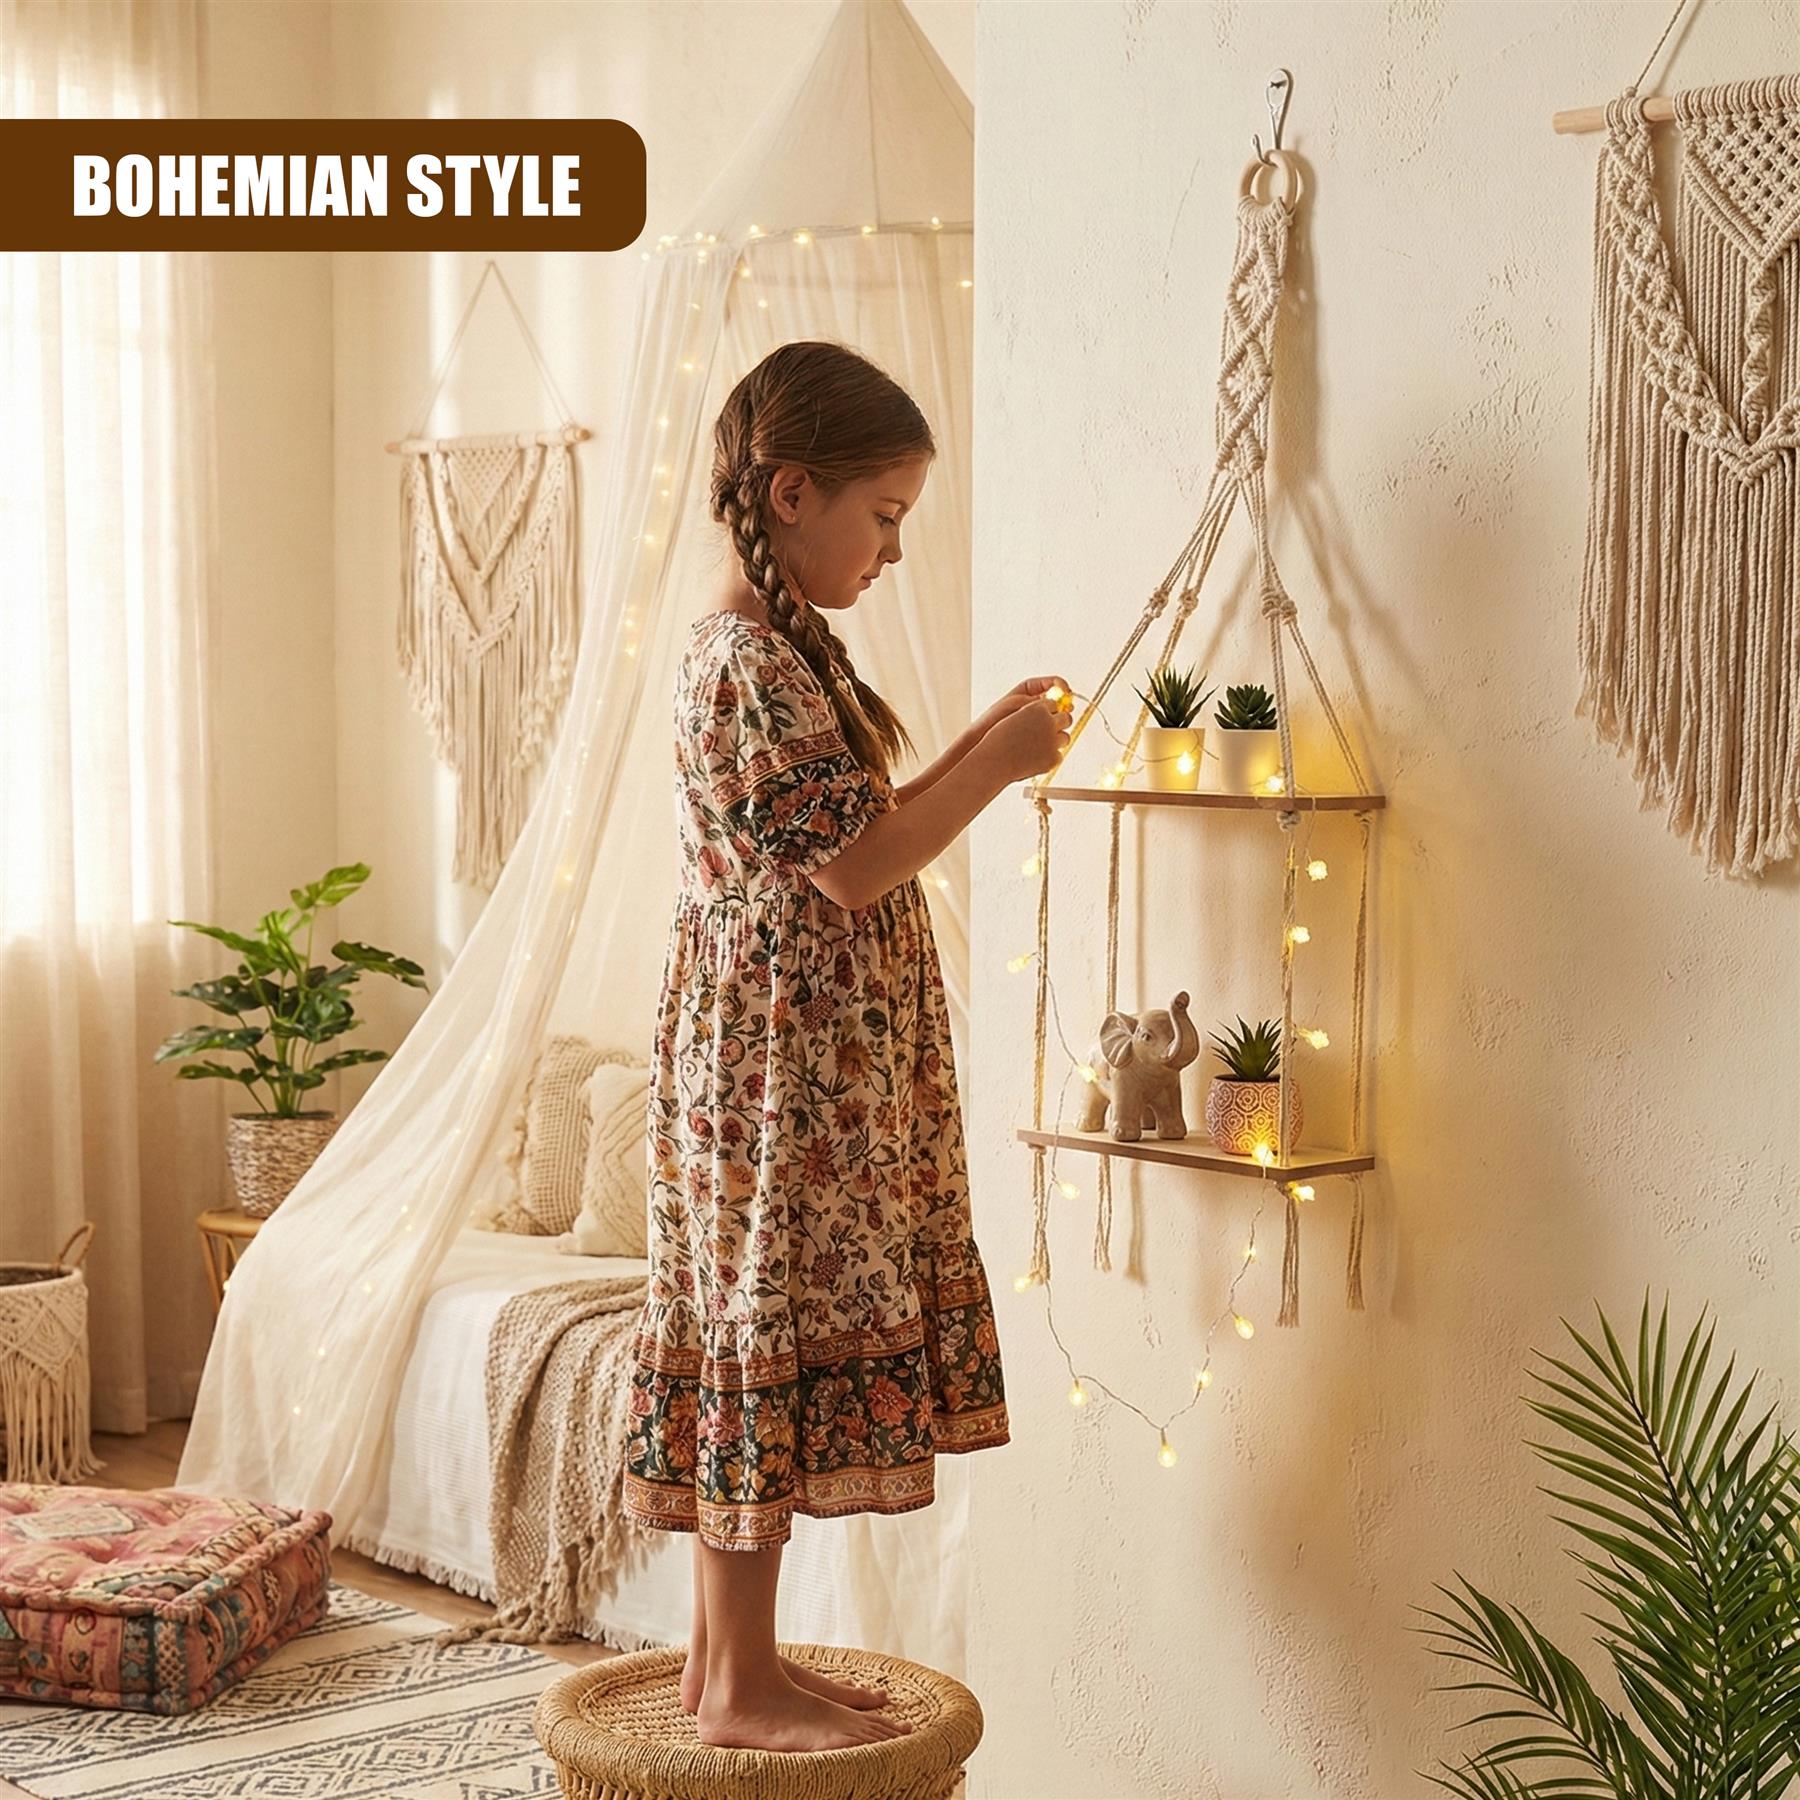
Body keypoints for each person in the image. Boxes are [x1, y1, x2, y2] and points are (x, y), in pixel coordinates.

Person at [622, 339, 1070, 1753]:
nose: (889, 553)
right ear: (793, 490)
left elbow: (849, 823)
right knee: (757, 1324)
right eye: (882, 519)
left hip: (795, 1060)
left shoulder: (788, 647)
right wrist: (992, 772)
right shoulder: (744, 657)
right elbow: (855, 869)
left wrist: (974, 740)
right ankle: (739, 1686)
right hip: (775, 1075)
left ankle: (721, 1668)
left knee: (771, 1324)